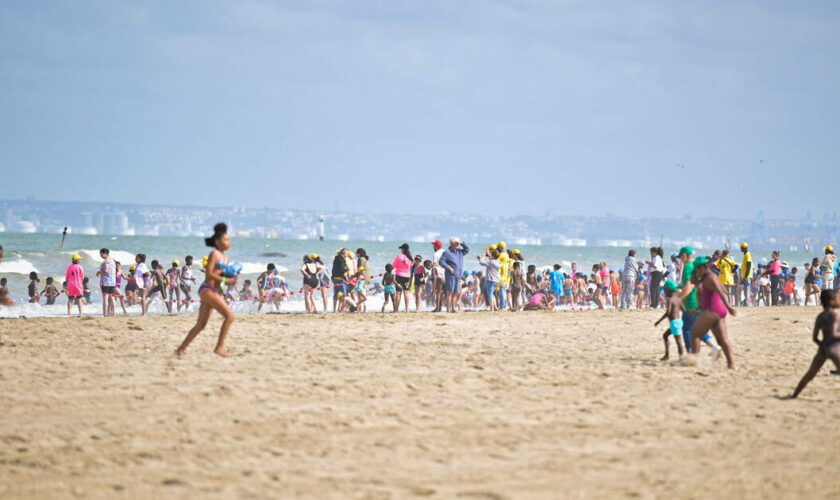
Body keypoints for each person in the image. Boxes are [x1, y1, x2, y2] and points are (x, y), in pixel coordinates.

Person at [176, 223, 236, 357]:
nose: (229, 242)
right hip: (207, 289)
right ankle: (219, 347)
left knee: (201, 324)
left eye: (229, 239)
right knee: (230, 316)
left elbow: (221, 276)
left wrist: (231, 279)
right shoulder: (214, 254)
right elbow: (209, 274)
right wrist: (227, 280)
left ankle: (181, 349)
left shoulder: (225, 258)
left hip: (213, 291)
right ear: (217, 242)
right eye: (226, 239)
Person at [685, 257, 737, 369]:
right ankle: (731, 364)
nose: (697, 272)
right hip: (719, 310)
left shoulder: (710, 278)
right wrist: (696, 308)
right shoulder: (710, 278)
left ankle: (693, 361)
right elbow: (721, 291)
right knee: (722, 340)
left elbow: (721, 292)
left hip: (713, 311)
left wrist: (730, 307)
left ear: (703, 267)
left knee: (695, 333)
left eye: (697, 270)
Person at [791, 290, 840, 398]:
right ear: (831, 302)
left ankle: (794, 395)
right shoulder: (835, 316)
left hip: (822, 350)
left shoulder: (820, 316)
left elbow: (815, 338)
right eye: (838, 299)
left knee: (810, 374)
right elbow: (833, 334)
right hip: (834, 350)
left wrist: (822, 345)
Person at [677, 247, 719, 356]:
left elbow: (688, 286)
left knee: (686, 328)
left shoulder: (687, 267)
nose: (681, 260)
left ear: (685, 256)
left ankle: (691, 353)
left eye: (681, 257)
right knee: (696, 327)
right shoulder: (695, 266)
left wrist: (678, 299)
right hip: (700, 300)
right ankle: (713, 346)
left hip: (691, 302)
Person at [654, 280, 685, 361]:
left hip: (674, 323)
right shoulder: (678, 299)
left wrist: (659, 321)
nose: (664, 292)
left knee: (678, 341)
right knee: (665, 336)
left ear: (668, 290)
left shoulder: (670, 300)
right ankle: (667, 355)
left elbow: (668, 312)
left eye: (664, 290)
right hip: (678, 322)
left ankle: (681, 358)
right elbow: (684, 309)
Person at [439, 237, 469, 313]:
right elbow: (441, 262)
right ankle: (448, 309)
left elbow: (467, 250)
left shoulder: (460, 252)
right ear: (452, 244)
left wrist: (463, 244)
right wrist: (448, 267)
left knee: (456, 293)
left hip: (458, 276)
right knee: (449, 292)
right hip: (450, 276)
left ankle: (453, 308)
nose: (457, 244)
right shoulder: (447, 252)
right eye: (456, 243)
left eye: (458, 243)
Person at [95, 248, 117, 316]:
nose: (100, 255)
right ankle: (114, 313)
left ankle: (105, 313)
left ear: (104, 253)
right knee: (112, 298)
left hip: (106, 282)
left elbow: (106, 270)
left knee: (105, 298)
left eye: (101, 254)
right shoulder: (113, 261)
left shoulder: (106, 261)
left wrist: (99, 272)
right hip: (113, 282)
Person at [392, 244, 413, 312]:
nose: (401, 250)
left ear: (403, 249)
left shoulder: (399, 256)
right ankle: (407, 309)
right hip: (407, 276)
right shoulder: (410, 258)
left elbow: (393, 265)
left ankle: (396, 309)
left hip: (399, 275)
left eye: (401, 248)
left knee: (398, 292)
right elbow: (411, 267)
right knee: (406, 292)